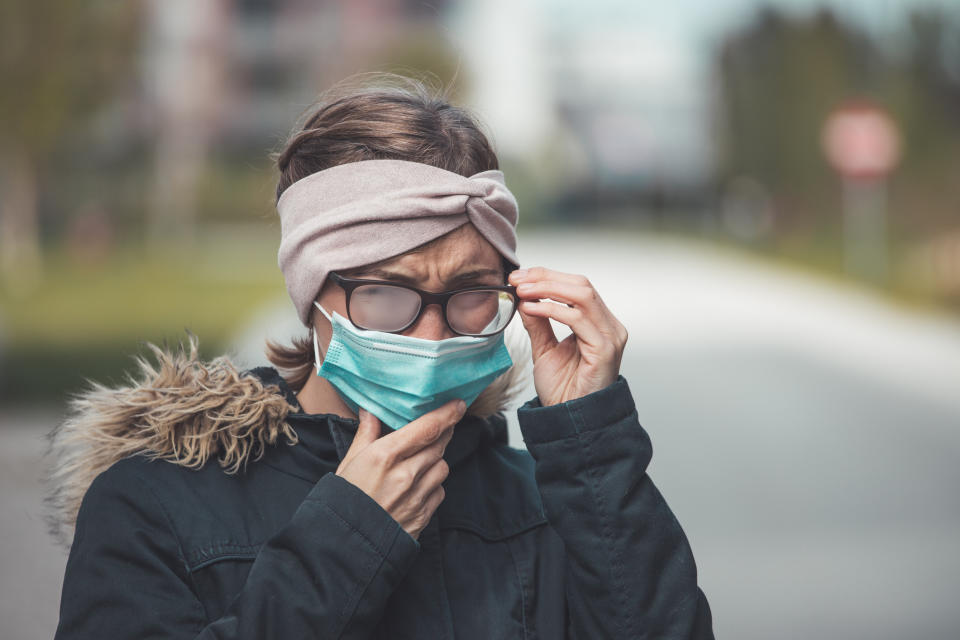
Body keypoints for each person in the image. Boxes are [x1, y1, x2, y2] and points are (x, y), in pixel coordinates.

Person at [46, 74, 714, 639]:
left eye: (470, 293)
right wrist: (346, 543)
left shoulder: (548, 501)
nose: (431, 337)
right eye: (387, 294)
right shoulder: (154, 501)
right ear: (313, 297)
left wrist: (589, 441)